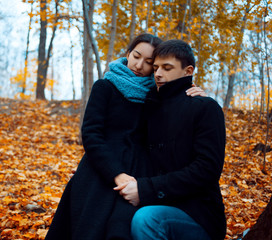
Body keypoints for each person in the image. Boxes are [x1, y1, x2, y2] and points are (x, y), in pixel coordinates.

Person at [45, 34, 206, 240]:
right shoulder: (104, 87)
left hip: (138, 175)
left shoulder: (156, 96)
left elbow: (173, 121)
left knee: (121, 229)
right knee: (87, 229)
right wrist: (116, 173)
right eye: (136, 56)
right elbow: (91, 135)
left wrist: (198, 96)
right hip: (101, 170)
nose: (139, 65)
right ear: (128, 54)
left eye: (148, 62)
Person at [115, 39, 226, 240]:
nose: (158, 74)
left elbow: (207, 169)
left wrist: (146, 188)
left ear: (188, 71)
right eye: (155, 67)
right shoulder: (150, 106)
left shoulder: (205, 108)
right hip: (155, 203)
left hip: (198, 215)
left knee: (147, 219)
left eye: (167, 68)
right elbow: (126, 144)